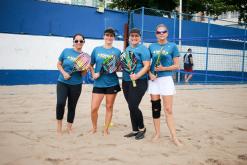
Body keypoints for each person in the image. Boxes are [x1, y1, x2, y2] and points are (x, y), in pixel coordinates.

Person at [148, 24, 182, 146]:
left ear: (167, 33)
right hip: (154, 80)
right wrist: (150, 74)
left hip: (166, 79)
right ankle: (157, 133)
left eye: (163, 32)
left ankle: (174, 136)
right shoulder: (151, 47)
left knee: (168, 109)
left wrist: (163, 68)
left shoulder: (172, 46)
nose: (161, 34)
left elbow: (177, 65)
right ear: (156, 34)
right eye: (159, 32)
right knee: (156, 108)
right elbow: (147, 64)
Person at [89, 28, 121, 136]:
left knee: (109, 107)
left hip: (112, 83)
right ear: (104, 36)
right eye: (107, 35)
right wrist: (93, 73)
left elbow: (119, 67)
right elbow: (90, 64)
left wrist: (116, 68)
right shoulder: (96, 50)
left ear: (114, 38)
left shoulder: (117, 51)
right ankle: (94, 128)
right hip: (98, 83)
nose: (109, 37)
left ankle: (106, 129)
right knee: (94, 108)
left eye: (111, 36)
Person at [122, 28, 151, 140]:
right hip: (126, 81)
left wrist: (137, 75)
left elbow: (146, 66)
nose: (134, 38)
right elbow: (126, 63)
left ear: (140, 37)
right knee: (131, 106)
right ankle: (134, 129)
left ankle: (142, 128)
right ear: (129, 37)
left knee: (133, 105)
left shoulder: (143, 49)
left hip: (139, 81)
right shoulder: (127, 48)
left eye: (136, 36)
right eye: (132, 36)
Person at [56, 33, 87, 134]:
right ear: (73, 42)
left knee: (72, 106)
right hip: (62, 82)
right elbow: (59, 64)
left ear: (83, 42)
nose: (78, 42)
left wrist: (85, 69)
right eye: (76, 41)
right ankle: (59, 127)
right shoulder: (66, 51)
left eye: (81, 41)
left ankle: (69, 128)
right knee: (60, 104)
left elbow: (83, 74)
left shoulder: (85, 57)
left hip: (76, 84)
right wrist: (64, 73)